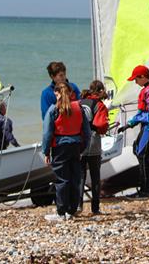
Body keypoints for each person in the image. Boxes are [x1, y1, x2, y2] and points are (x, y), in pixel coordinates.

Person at [42, 83, 91, 221]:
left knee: (62, 179)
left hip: (60, 147)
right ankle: (71, 210)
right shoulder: (79, 108)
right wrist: (83, 147)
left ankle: (61, 212)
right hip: (75, 145)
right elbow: (87, 132)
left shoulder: (53, 109)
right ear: (70, 93)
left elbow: (47, 133)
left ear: (56, 93)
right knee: (74, 177)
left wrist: (46, 152)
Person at [118, 65, 149, 198]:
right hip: (146, 126)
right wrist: (130, 124)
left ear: (143, 77)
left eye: (136, 79)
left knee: (143, 155)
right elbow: (143, 113)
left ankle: (147, 189)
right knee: (137, 150)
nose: (135, 82)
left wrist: (133, 125)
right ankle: (147, 187)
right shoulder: (148, 89)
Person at [79, 80, 109, 214]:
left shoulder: (79, 103)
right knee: (95, 177)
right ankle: (95, 208)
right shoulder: (100, 105)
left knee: (80, 177)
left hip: (79, 144)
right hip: (93, 144)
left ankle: (78, 206)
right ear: (101, 90)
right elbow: (101, 126)